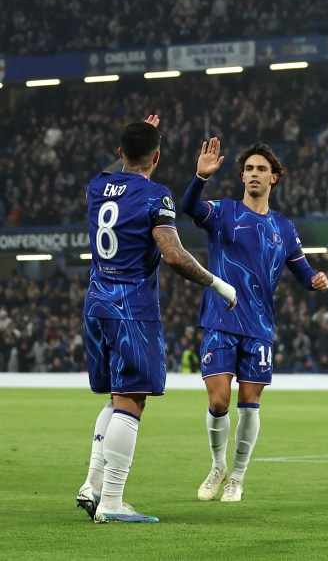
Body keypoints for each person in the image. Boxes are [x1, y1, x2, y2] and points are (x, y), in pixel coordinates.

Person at [76, 116, 237, 524]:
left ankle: (92, 485)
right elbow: (172, 253)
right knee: (131, 400)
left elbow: (118, 172)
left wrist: (135, 137)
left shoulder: (97, 186)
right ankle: (112, 502)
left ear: (119, 153)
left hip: (95, 303)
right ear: (158, 157)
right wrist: (218, 284)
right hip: (131, 309)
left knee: (116, 396)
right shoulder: (155, 196)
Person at [181, 138, 328, 502]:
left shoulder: (284, 228)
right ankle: (218, 466)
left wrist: (316, 280)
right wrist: (200, 178)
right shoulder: (224, 212)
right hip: (221, 318)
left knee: (249, 402)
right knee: (218, 401)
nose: (253, 174)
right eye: (248, 168)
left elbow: (303, 273)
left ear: (274, 178)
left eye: (261, 169)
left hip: (259, 327)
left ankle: (238, 476)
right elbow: (189, 207)